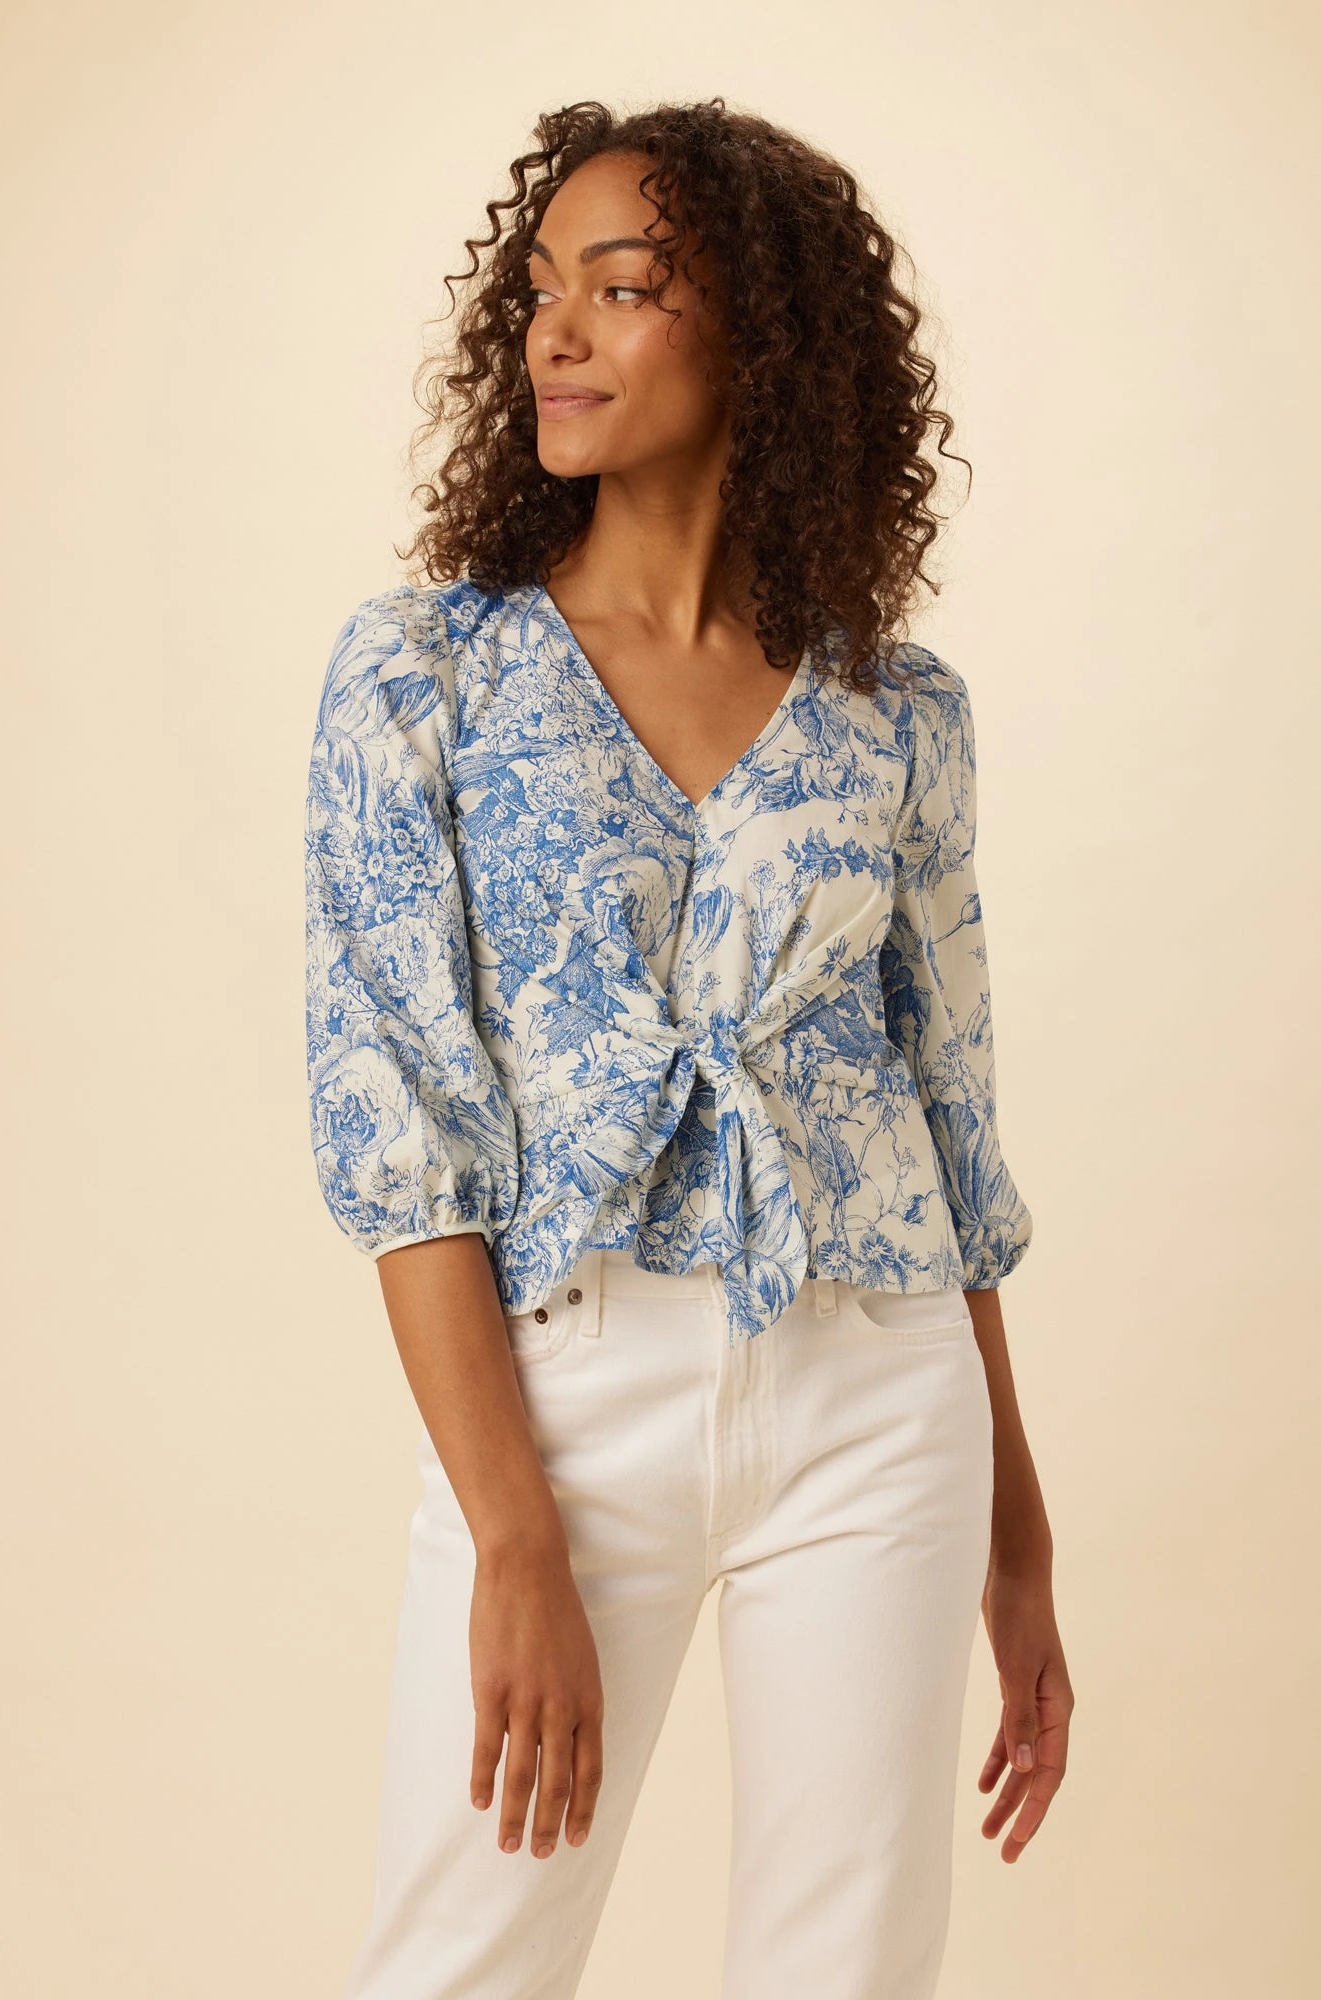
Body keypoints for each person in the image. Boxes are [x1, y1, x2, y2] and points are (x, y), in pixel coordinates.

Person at [305, 96, 1073, 2000]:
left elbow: (950, 1121)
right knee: (459, 1961)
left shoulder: (896, 710)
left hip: (877, 1388)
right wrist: (513, 1535)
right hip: (564, 1402)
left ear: (760, 337)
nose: (555, 334)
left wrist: (1018, 1534)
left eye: (623, 287)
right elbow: (399, 1127)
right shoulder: (425, 672)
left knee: (846, 1969)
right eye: (538, 290)